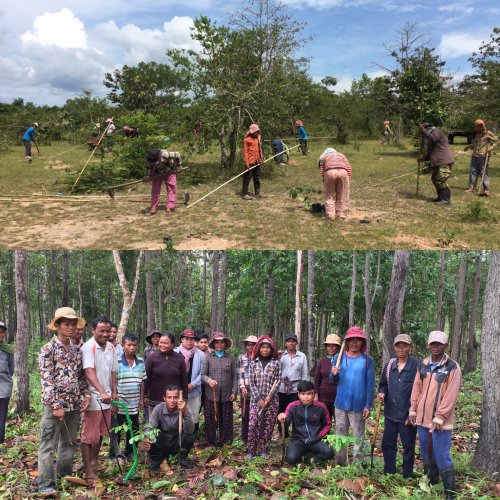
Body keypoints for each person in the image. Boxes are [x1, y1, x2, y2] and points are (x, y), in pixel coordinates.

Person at [37, 308, 90, 493]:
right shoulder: (48, 349)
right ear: (57, 326)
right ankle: (46, 485)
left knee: (68, 444)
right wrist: (56, 405)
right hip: (54, 408)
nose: (71, 327)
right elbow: (46, 379)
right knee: (48, 446)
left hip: (74, 406)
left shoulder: (76, 350)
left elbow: (81, 377)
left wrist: (86, 395)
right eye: (66, 324)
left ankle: (64, 479)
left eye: (73, 324)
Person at [409, 331, 461, 500]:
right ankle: (431, 483)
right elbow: (417, 388)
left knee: (441, 454)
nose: (435, 346)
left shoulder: (452, 367)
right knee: (426, 453)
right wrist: (413, 409)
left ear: (446, 346)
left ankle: (450, 493)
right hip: (423, 420)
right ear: (428, 345)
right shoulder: (423, 364)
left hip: (441, 422)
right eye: (433, 343)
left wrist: (440, 416)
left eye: (439, 344)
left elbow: (451, 395)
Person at [80, 315, 118, 484]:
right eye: (101, 331)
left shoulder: (111, 347)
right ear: (93, 330)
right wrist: (101, 391)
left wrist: (114, 392)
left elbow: (113, 371)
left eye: (108, 331)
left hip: (107, 397)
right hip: (93, 397)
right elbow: (88, 372)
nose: (105, 334)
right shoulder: (88, 347)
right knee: (89, 435)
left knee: (102, 432)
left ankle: (94, 462)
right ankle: (88, 470)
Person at [330, 326, 375, 465]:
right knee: (340, 433)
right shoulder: (338, 357)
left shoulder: (367, 360)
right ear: (347, 342)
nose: (355, 343)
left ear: (362, 342)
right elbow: (333, 379)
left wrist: (368, 404)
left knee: (358, 434)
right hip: (341, 403)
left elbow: (370, 384)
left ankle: (357, 465)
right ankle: (340, 462)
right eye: (352, 340)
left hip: (358, 404)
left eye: (358, 340)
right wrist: (334, 373)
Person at [377, 334, 419, 478]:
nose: (401, 349)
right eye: (398, 346)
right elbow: (383, 385)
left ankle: (407, 474)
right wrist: (382, 393)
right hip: (390, 414)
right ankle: (389, 472)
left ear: (409, 347)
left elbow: (421, 391)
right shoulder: (389, 365)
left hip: (407, 415)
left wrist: (413, 412)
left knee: (408, 446)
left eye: (404, 346)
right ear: (394, 347)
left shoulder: (417, 366)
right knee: (388, 444)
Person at [278, 380, 334, 465]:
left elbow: (327, 424)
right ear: (298, 394)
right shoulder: (292, 406)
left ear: (313, 394)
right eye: (303, 394)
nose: (306, 397)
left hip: (316, 440)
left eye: (309, 394)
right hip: (299, 440)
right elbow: (285, 426)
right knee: (290, 458)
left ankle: (315, 459)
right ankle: (300, 457)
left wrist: (319, 436)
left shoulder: (321, 407)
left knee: (329, 452)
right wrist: (281, 420)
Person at [143, 385, 195, 469]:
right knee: (152, 436)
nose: (172, 400)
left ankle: (182, 457)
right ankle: (158, 459)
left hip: (177, 441)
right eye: (169, 397)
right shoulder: (158, 409)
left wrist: (185, 412)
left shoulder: (184, 408)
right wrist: (146, 439)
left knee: (190, 436)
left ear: (179, 398)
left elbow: (190, 430)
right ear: (164, 398)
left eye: (175, 397)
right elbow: (150, 428)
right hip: (162, 441)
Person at [201, 332, 238, 446]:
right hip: (211, 394)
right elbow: (202, 375)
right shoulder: (208, 357)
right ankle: (211, 440)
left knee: (226, 418)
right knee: (211, 418)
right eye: (217, 342)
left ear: (225, 344)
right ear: (214, 344)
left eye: (222, 342)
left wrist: (235, 391)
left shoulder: (230, 358)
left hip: (227, 394)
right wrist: (209, 381)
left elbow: (235, 377)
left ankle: (225, 440)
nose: (220, 344)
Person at [247, 336, 281, 458]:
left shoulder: (276, 363)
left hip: (271, 401)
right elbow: (251, 382)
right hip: (256, 401)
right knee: (253, 424)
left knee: (267, 425)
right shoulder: (253, 363)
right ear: (259, 349)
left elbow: (278, 381)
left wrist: (269, 398)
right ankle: (251, 450)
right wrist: (259, 399)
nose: (265, 350)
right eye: (263, 347)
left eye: (268, 347)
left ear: (271, 350)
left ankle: (264, 449)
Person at [115, 333, 146, 460]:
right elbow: (113, 381)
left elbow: (143, 381)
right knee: (117, 429)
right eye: (129, 345)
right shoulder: (116, 361)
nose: (132, 347)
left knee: (133, 428)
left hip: (134, 402)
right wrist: (114, 399)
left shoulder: (141, 362)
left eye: (134, 345)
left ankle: (130, 452)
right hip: (120, 402)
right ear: (123, 346)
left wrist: (141, 399)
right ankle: (116, 454)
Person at [144, 333, 188, 414]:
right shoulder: (152, 357)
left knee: (171, 424)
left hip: (173, 400)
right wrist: (144, 395)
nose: (162, 345)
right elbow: (146, 378)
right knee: (154, 425)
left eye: (165, 343)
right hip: (155, 400)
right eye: (161, 342)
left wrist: (184, 398)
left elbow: (184, 380)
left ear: (172, 344)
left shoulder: (179, 358)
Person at [278, 333, 308, 438]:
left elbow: (304, 374)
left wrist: (303, 390)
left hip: (295, 388)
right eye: (288, 341)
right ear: (285, 343)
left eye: (293, 341)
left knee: (296, 411)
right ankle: (283, 433)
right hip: (281, 388)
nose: (291, 343)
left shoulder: (302, 356)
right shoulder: (281, 355)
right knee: (281, 410)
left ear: (296, 343)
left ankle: (296, 433)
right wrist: (276, 357)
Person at [175, 329, 205, 434]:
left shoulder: (200, 355)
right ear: (181, 340)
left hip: (194, 390)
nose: (189, 341)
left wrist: (193, 384)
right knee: (177, 413)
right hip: (177, 391)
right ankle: (179, 436)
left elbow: (203, 373)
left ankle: (192, 437)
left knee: (194, 414)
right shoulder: (175, 353)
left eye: (191, 339)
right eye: (186, 339)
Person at [417, 123, 454, 205]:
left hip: (443, 160)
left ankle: (446, 200)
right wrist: (422, 159)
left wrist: (423, 130)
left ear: (428, 128)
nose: (424, 133)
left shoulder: (436, 132)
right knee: (435, 179)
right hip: (437, 161)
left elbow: (432, 139)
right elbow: (431, 152)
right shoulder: (431, 136)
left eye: (424, 130)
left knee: (441, 180)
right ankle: (440, 197)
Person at [464, 119, 499, 196]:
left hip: (483, 156)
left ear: (482, 126)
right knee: (473, 171)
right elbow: (475, 144)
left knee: (483, 172)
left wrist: (491, 147)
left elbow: (497, 140)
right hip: (475, 155)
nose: (478, 128)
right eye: (477, 126)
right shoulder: (477, 134)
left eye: (479, 126)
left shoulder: (488, 133)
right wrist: (469, 146)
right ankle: (471, 188)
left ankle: (486, 189)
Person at [144, 148, 181, 215]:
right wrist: (148, 176)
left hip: (170, 170)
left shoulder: (165, 154)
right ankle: (153, 207)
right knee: (155, 190)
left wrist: (178, 166)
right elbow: (149, 167)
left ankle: (170, 206)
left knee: (171, 188)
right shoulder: (148, 159)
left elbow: (178, 155)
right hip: (157, 172)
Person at [319, 148, 352, 220]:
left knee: (330, 195)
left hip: (329, 173)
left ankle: (330, 216)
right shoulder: (341, 155)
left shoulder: (324, 157)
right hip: (343, 172)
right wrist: (348, 179)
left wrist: (324, 178)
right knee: (343, 194)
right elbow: (349, 167)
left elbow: (322, 169)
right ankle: (341, 215)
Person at [314, 333, 341, 420]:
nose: (331, 348)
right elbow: (317, 379)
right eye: (329, 346)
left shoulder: (343, 361)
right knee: (325, 422)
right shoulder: (322, 361)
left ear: (337, 347)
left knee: (340, 423)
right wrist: (316, 394)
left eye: (333, 346)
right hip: (324, 397)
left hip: (338, 397)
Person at [237, 335, 258, 444]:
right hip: (245, 389)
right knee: (245, 413)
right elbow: (240, 374)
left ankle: (254, 435)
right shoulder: (242, 357)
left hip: (258, 390)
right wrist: (242, 386)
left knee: (256, 413)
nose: (250, 347)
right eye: (248, 345)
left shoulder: (259, 357)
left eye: (253, 345)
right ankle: (245, 437)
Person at [0, 321, 14, 453]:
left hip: (4, 387)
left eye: (2, 331)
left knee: (2, 416)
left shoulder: (8, 350)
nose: (0, 334)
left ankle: (0, 443)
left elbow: (11, 369)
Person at [242, 123, 264, 200]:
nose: (257, 133)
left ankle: (257, 192)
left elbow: (259, 150)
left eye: (257, 131)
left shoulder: (257, 138)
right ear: (252, 131)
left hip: (257, 161)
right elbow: (245, 152)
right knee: (247, 178)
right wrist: (247, 163)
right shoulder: (246, 140)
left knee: (257, 177)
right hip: (250, 162)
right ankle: (245, 194)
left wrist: (261, 158)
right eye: (255, 131)